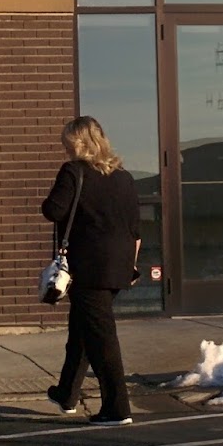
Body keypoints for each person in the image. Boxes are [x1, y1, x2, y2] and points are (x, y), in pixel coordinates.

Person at [40, 116, 141, 425]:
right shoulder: (124, 177)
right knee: (83, 329)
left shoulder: (73, 172)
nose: (65, 149)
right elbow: (135, 229)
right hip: (120, 265)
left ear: (77, 143)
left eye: (67, 143)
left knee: (101, 338)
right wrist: (131, 265)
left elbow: (53, 210)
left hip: (89, 266)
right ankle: (66, 393)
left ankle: (117, 408)